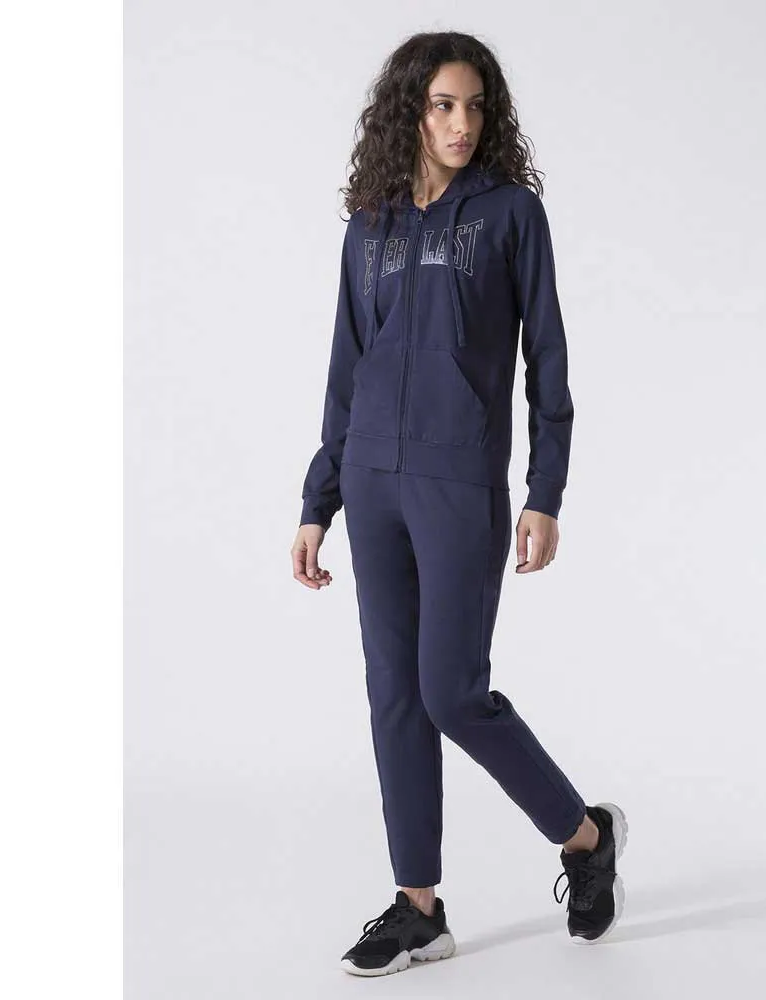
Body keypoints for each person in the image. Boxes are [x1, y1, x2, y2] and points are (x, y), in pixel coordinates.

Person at [291, 31, 628, 977]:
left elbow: (547, 358)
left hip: (459, 481)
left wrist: (545, 491)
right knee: (395, 694)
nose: (461, 123)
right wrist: (320, 500)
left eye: (475, 106)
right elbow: (347, 368)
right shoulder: (370, 227)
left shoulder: (511, 214)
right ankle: (419, 909)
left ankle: (586, 837)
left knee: (451, 693)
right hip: (372, 479)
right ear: (410, 110)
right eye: (443, 105)